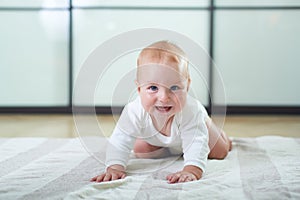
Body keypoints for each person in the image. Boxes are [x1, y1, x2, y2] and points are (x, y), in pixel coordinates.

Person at [91, 40, 232, 184]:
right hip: (159, 139)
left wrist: (191, 170)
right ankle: (170, 148)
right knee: (141, 150)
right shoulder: (133, 110)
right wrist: (115, 167)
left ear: (187, 86)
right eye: (153, 88)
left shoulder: (190, 110)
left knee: (219, 152)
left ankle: (214, 129)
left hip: (196, 127)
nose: (164, 98)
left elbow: (196, 142)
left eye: (175, 88)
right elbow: (120, 140)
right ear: (139, 89)